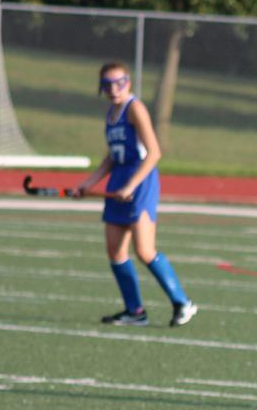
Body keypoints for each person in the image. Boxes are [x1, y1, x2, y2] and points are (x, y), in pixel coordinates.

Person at [73, 61, 197, 327]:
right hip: (118, 181)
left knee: (144, 249)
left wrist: (130, 186)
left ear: (128, 82)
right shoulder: (111, 113)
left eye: (119, 82)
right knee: (115, 251)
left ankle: (182, 302)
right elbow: (111, 157)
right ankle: (135, 311)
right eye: (107, 84)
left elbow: (154, 152)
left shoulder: (135, 108)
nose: (114, 88)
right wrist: (88, 184)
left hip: (140, 182)